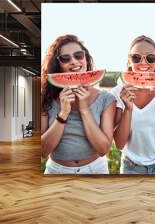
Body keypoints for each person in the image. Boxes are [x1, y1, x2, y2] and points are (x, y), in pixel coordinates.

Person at [41, 34, 116, 174]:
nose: (74, 61)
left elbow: (103, 149)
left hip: (96, 170)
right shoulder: (46, 99)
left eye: (79, 55)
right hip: (56, 171)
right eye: (65, 58)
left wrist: (85, 110)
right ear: (58, 65)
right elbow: (44, 151)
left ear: (86, 59)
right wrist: (63, 114)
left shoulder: (106, 99)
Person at [111, 35, 155, 174]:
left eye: (150, 58)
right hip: (131, 167)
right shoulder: (118, 93)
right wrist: (128, 109)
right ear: (129, 60)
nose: (143, 63)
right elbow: (120, 144)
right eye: (136, 57)